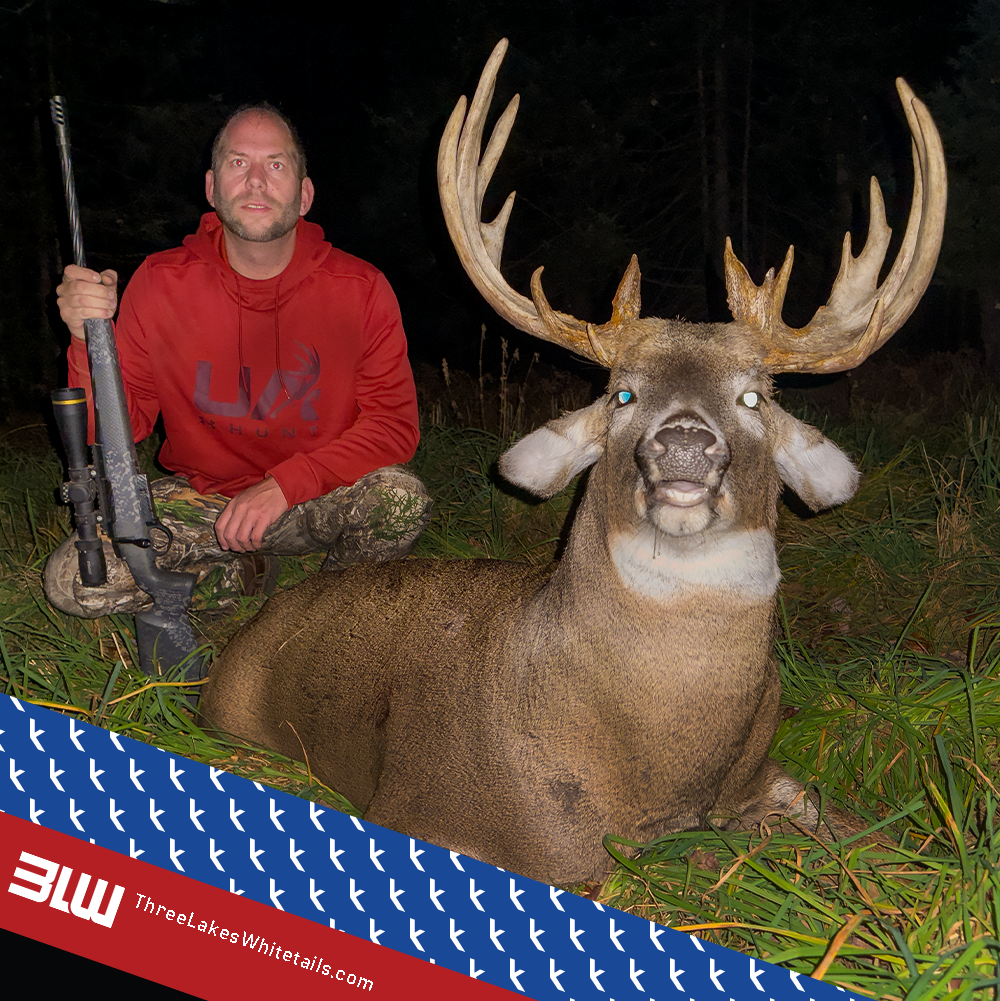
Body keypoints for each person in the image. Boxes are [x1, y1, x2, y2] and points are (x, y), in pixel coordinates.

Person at [44, 103, 432, 618]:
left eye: (276, 164)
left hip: (316, 497)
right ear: (211, 187)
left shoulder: (360, 289)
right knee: (75, 582)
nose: (256, 181)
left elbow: (394, 426)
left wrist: (285, 486)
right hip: (204, 501)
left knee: (400, 500)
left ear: (305, 194)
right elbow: (118, 427)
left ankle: (320, 612)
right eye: (238, 162)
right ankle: (237, 576)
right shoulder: (160, 283)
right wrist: (83, 339)